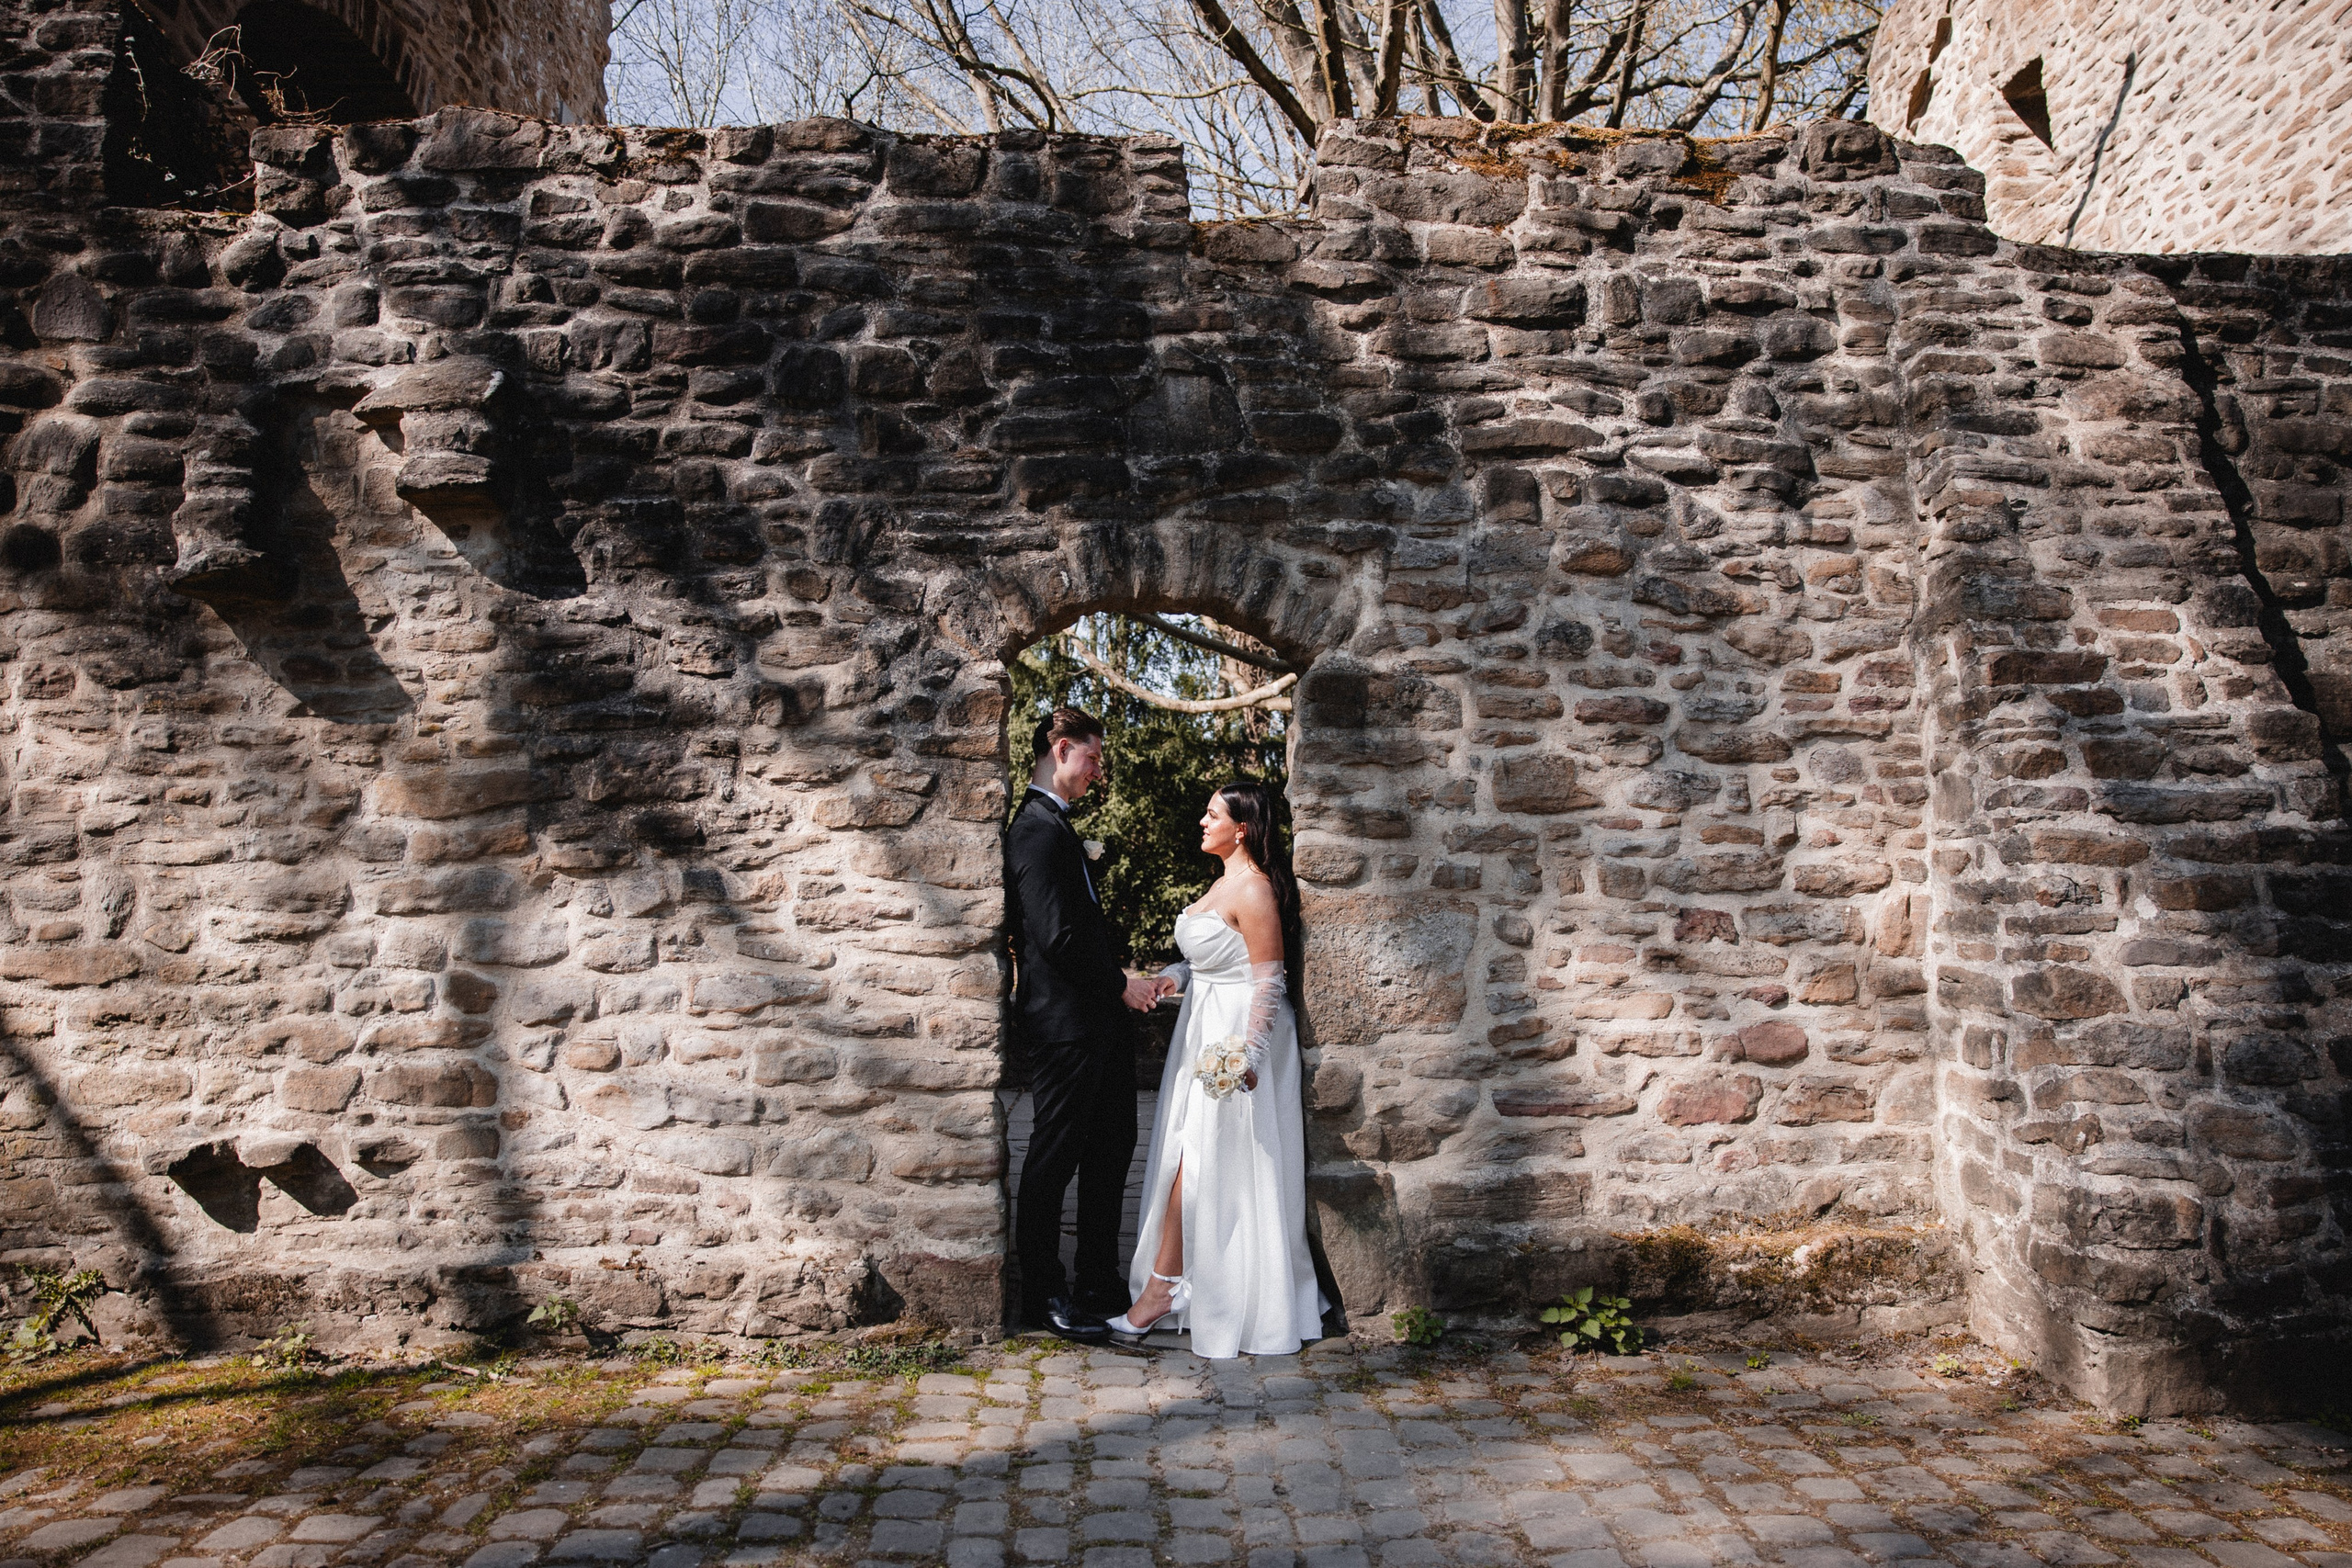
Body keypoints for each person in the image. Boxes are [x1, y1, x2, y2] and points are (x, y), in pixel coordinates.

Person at [1107, 780, 1327, 1359]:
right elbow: (1209, 955)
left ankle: (1164, 1289)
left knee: (1198, 1158)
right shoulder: (1224, 882)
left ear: (1243, 828)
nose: (1202, 823)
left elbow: (1267, 980)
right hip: (1201, 1026)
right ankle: (1181, 1284)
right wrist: (1172, 978)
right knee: (1188, 1149)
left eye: (1212, 815)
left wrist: (1248, 1059)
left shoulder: (1255, 890)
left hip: (1235, 1036)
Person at [1003, 706, 1161, 1342]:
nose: (1099, 772)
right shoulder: (1036, 831)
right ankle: (1043, 1291)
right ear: (1061, 749)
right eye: (1092, 758)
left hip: (1097, 1023)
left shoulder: (1059, 829)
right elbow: (1057, 936)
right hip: (1065, 1024)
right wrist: (1122, 981)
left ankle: (1098, 1278)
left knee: (1110, 1148)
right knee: (1053, 1156)